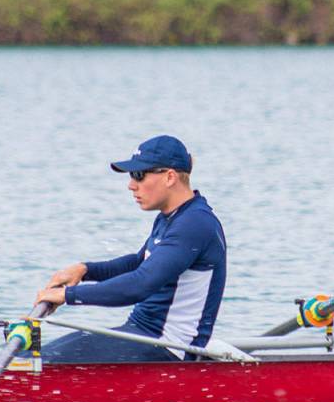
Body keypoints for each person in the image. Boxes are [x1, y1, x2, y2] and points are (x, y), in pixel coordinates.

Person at [25, 135, 227, 363]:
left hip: (168, 348)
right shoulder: (172, 217)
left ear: (170, 177)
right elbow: (139, 262)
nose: (131, 185)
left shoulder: (195, 224)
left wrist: (67, 295)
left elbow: (140, 285)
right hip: (142, 335)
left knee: (41, 361)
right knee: (30, 356)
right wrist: (84, 270)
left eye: (139, 175)